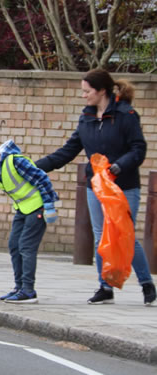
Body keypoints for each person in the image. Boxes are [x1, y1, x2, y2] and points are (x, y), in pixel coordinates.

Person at [36, 68, 156, 306]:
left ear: (101, 91)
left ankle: (146, 284)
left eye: (87, 91)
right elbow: (68, 151)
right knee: (101, 235)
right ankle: (105, 287)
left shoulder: (126, 114)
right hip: (96, 185)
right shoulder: (87, 118)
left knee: (124, 234)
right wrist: (36, 167)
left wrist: (118, 167)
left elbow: (138, 149)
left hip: (123, 185)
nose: (84, 96)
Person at [0, 140, 59, 304]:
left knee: (26, 246)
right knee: (14, 245)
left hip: (37, 207)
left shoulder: (15, 162)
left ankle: (28, 291)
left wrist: (49, 204)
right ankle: (19, 287)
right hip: (22, 209)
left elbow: (41, 179)